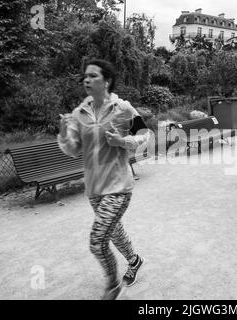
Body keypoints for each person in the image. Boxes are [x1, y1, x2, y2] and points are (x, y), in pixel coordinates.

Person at [58, 59, 150, 300]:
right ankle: (134, 260)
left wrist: (123, 142)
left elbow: (145, 134)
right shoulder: (80, 113)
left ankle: (112, 287)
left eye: (92, 76)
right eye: (85, 77)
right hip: (94, 189)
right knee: (114, 232)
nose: (86, 80)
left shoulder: (123, 108)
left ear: (106, 81)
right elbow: (73, 149)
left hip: (119, 186)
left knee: (97, 242)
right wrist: (62, 132)